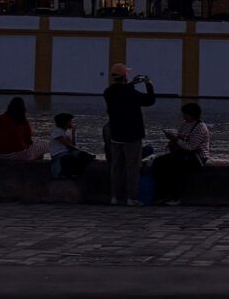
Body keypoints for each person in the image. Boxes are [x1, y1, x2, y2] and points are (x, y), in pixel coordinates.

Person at [100, 64, 157, 206]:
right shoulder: (132, 93)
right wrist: (148, 84)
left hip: (116, 135)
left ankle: (114, 197)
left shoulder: (108, 92)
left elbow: (120, 91)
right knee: (132, 167)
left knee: (116, 168)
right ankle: (131, 198)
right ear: (125, 76)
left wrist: (131, 84)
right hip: (132, 135)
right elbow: (150, 100)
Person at [152, 101, 210, 205]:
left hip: (197, 157)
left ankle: (175, 197)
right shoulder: (184, 125)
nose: (183, 116)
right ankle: (161, 194)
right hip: (183, 153)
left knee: (175, 167)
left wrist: (175, 140)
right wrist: (173, 142)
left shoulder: (200, 128)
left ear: (192, 115)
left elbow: (191, 147)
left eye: (185, 114)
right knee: (158, 162)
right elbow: (181, 140)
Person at [46, 112, 89, 181]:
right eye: (70, 121)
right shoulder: (57, 131)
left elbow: (72, 145)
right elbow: (68, 145)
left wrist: (73, 133)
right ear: (65, 123)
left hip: (66, 153)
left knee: (83, 156)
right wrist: (78, 151)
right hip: (59, 154)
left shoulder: (65, 132)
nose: (71, 123)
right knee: (71, 158)